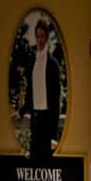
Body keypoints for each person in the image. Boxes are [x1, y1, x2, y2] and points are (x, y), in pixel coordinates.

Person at [23, 19, 63, 161]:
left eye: (42, 36)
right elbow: (30, 89)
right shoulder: (32, 60)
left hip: (47, 117)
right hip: (35, 116)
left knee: (46, 159)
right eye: (38, 36)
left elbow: (56, 98)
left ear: (46, 37)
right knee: (34, 158)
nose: (40, 40)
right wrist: (23, 111)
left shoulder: (52, 64)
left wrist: (54, 135)